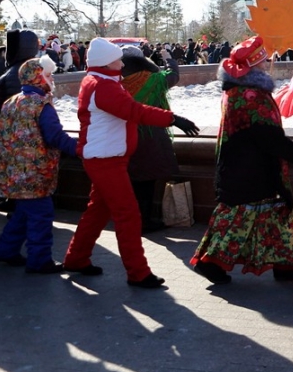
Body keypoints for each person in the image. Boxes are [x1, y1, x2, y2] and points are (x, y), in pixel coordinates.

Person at [62, 38, 200, 289]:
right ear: (107, 62)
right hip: (106, 159)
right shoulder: (104, 86)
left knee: (97, 212)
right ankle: (138, 273)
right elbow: (135, 111)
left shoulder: (100, 81)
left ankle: (76, 258)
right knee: (128, 215)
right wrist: (172, 119)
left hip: (105, 156)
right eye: (117, 59)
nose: (122, 62)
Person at [190, 36, 293, 285]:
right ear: (256, 64)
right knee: (239, 218)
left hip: (242, 168)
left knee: (271, 217)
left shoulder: (235, 91)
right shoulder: (252, 96)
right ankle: (210, 262)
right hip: (252, 171)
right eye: (264, 59)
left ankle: (288, 263)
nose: (268, 62)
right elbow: (269, 137)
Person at [0, 57, 77, 273]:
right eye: (48, 75)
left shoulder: (11, 101)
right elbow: (55, 136)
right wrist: (80, 148)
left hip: (12, 171)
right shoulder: (41, 105)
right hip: (34, 172)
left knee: (22, 212)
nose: (52, 79)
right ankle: (39, 260)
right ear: (39, 77)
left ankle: (6, 250)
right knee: (41, 215)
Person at [121, 45, 180, 234]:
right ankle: (144, 220)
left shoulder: (117, 83)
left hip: (124, 136)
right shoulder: (154, 80)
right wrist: (168, 58)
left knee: (133, 179)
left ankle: (134, 219)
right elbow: (173, 75)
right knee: (147, 181)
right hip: (151, 136)